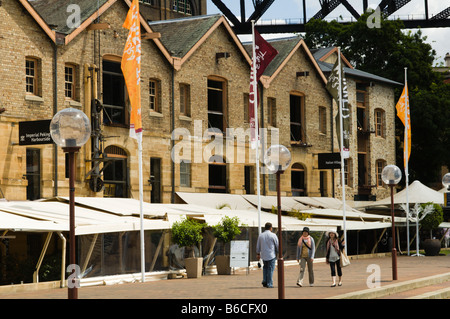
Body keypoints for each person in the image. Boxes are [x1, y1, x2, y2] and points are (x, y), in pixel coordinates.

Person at [256, 222, 279, 288]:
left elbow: (258, 245)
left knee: (265, 268)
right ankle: (269, 283)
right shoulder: (273, 235)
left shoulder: (261, 235)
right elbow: (277, 245)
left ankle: (265, 280)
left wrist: (258, 253)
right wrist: (278, 252)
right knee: (270, 269)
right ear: (270, 228)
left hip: (263, 255)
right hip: (271, 255)